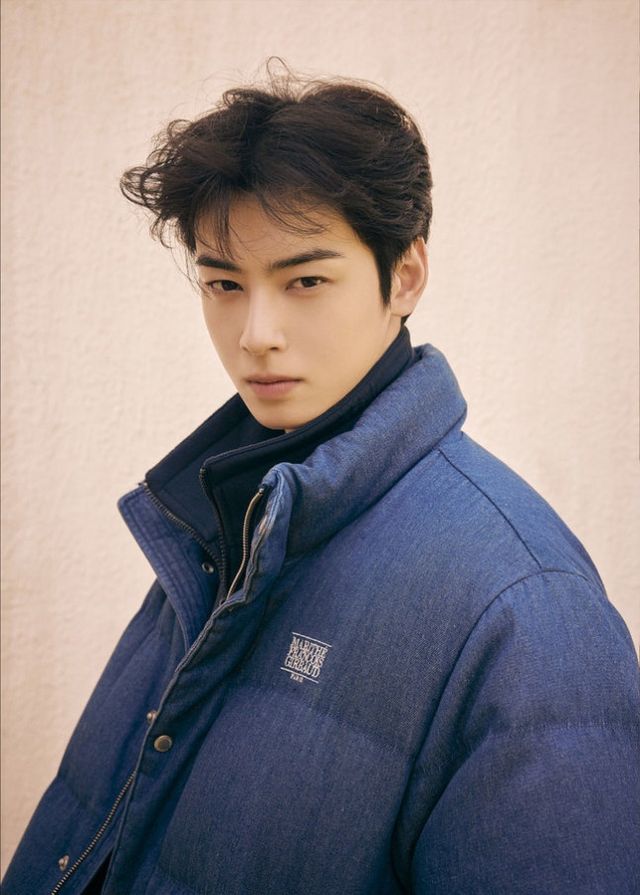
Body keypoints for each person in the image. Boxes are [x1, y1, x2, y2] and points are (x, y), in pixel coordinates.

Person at [3, 64, 639, 895]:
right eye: (224, 284)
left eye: (304, 280)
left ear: (404, 276)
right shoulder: (221, 518)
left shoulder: (527, 604)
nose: (256, 333)